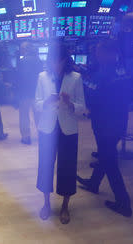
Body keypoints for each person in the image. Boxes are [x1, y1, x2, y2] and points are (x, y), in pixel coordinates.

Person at [77, 41, 133, 217]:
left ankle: (124, 203)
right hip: (119, 121)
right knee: (105, 154)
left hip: (104, 124)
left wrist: (84, 78)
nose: (97, 56)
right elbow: (130, 94)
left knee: (110, 162)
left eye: (99, 53)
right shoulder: (122, 70)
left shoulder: (102, 74)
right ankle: (94, 183)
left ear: (107, 54)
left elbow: (91, 97)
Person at [34, 43, 85, 224]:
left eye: (59, 60)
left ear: (65, 60)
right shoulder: (42, 77)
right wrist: (46, 102)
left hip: (68, 129)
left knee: (67, 167)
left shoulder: (76, 77)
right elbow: (37, 103)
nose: (56, 64)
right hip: (47, 128)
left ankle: (65, 206)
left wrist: (70, 104)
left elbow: (82, 107)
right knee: (46, 166)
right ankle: (46, 203)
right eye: (53, 60)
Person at [16, 42, 44, 144]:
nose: (20, 50)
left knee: (24, 115)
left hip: (24, 93)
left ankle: (26, 137)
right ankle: (41, 134)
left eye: (21, 48)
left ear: (25, 49)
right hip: (36, 92)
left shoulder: (22, 61)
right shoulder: (38, 60)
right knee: (38, 115)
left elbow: (19, 79)